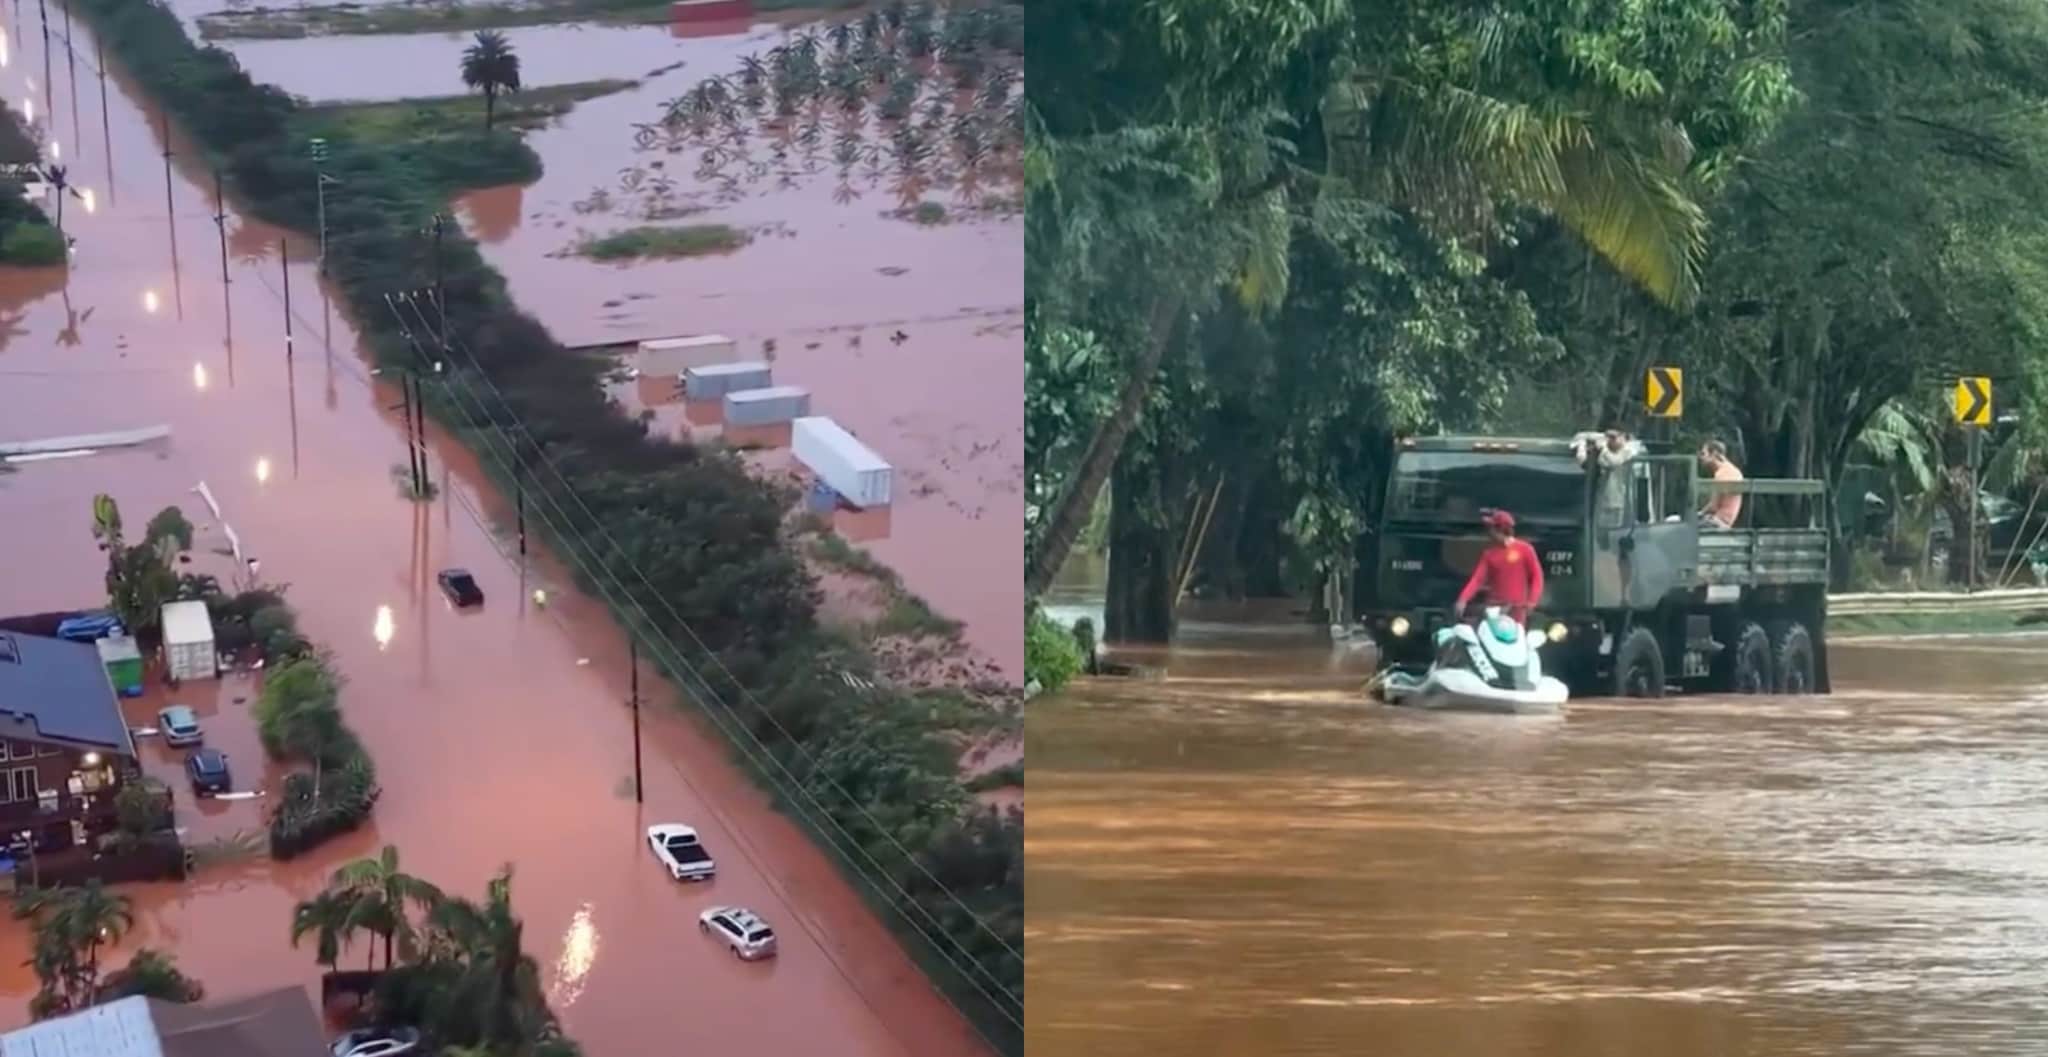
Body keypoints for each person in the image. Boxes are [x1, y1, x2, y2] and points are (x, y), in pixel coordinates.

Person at [1455, 509, 1545, 624]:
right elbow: (1477, 579)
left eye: (1490, 528)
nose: (1488, 532)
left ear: (1499, 529)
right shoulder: (1489, 554)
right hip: (1494, 610)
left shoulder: (1525, 549)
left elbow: (1537, 576)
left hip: (1517, 611)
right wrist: (1463, 599)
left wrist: (1532, 601)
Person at [1698, 440, 1745, 528]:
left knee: (1681, 526)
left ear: (1714, 454)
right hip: (1728, 521)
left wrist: (1699, 513)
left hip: (1718, 521)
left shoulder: (1721, 474)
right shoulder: (1733, 470)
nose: (1701, 457)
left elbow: (1713, 506)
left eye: (1704, 453)